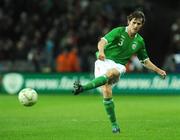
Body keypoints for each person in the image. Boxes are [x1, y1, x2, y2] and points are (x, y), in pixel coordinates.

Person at [72, 10, 166, 134]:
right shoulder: (119, 31)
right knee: (106, 91)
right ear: (129, 22)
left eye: (139, 24)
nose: (136, 26)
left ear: (142, 25)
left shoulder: (140, 42)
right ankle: (115, 125)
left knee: (113, 72)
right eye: (134, 22)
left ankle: (83, 88)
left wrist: (158, 71)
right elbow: (102, 41)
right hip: (103, 60)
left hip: (119, 66)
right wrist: (101, 51)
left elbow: (145, 61)